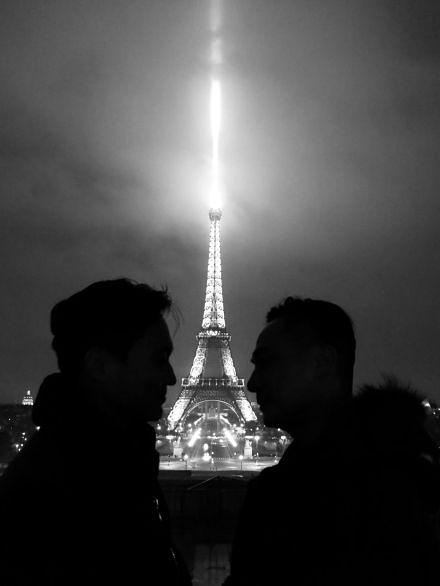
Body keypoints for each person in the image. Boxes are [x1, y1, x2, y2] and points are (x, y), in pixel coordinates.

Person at [224, 297, 440, 586]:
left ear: (322, 363)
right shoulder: (405, 476)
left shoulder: (292, 491)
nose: (252, 382)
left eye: (266, 362)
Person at [0, 278, 191, 586]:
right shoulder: (60, 489)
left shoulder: (104, 462)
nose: (171, 377)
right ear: (99, 366)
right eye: (159, 359)